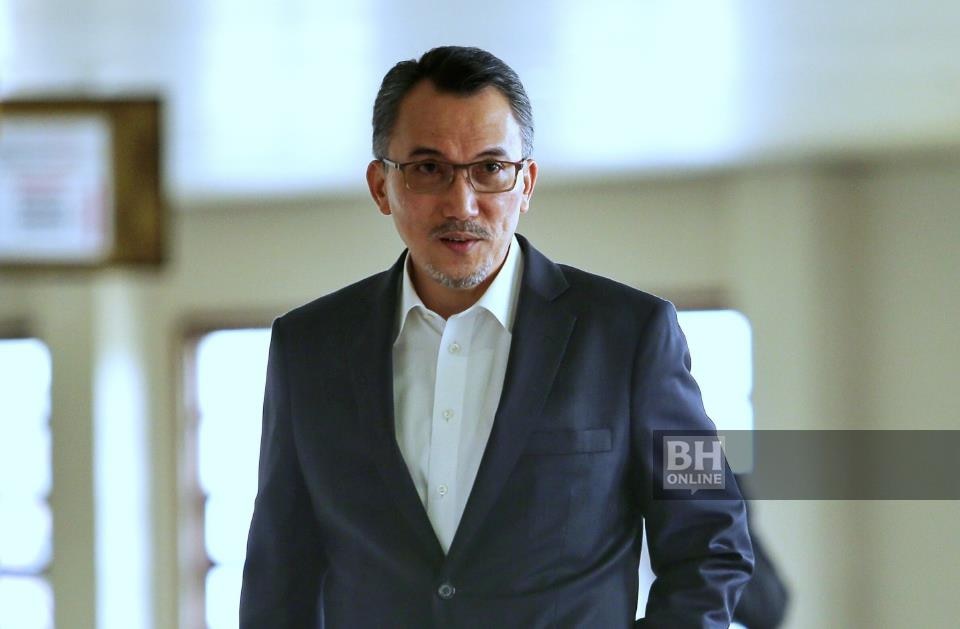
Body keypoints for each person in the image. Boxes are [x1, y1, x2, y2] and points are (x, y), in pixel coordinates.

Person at [240, 45, 754, 628]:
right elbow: (277, 578)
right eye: (428, 168)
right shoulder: (307, 349)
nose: (461, 203)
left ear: (526, 183)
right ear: (381, 186)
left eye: (490, 168)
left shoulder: (636, 335)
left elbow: (714, 540)